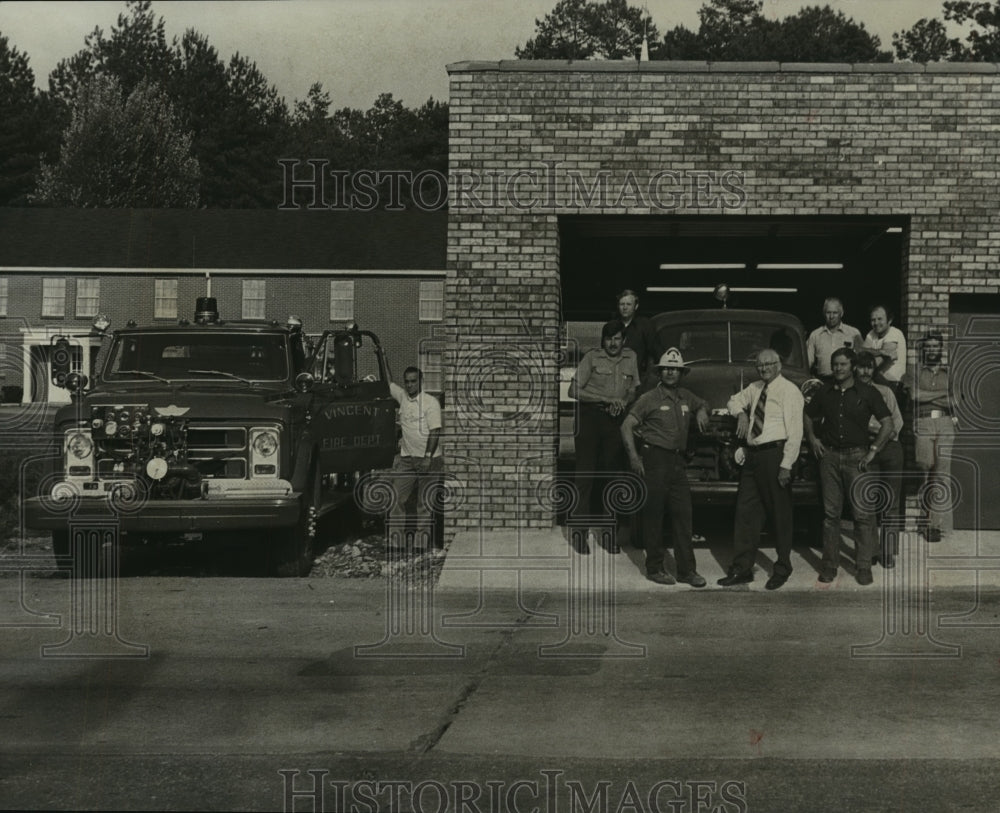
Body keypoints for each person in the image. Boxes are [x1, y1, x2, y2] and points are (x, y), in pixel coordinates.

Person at [804, 347, 894, 585]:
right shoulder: (824, 392)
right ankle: (829, 565)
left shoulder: (868, 392)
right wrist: (813, 439)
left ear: (852, 366)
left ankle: (863, 566)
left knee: (862, 515)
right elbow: (807, 414)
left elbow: (887, 423)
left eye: (842, 364)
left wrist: (873, 450)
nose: (838, 369)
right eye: (835, 365)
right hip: (830, 458)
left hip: (858, 458)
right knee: (831, 515)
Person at [620, 347, 709, 587]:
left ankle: (687, 571)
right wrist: (634, 458)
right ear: (660, 372)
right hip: (655, 460)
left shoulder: (686, 396)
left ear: (681, 373)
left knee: (683, 516)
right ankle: (655, 568)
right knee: (654, 516)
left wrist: (701, 412)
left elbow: (702, 403)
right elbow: (626, 426)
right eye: (667, 368)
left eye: (675, 369)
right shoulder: (649, 398)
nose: (671, 373)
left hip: (678, 463)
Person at [717, 348, 804, 590]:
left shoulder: (790, 391)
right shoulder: (755, 388)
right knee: (746, 514)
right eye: (759, 365)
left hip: (775, 456)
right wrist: (742, 415)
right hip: (753, 458)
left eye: (768, 364)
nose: (763, 369)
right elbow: (733, 400)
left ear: (779, 365)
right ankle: (743, 569)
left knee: (780, 515)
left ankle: (783, 567)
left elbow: (796, 432)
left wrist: (786, 465)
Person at [568, 319, 639, 553]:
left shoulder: (631, 358)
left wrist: (623, 402)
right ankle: (579, 534)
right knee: (585, 476)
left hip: (615, 421)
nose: (613, 343)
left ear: (623, 340)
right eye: (609, 339)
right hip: (590, 418)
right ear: (603, 340)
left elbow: (632, 389)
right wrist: (605, 399)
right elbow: (573, 390)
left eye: (617, 338)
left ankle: (609, 534)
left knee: (613, 476)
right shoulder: (592, 358)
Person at [855, 350, 905, 568]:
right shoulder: (851, 394)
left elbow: (897, 423)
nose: (865, 371)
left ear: (873, 370)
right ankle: (870, 551)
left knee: (891, 502)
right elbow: (855, 425)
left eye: (869, 367)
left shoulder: (885, 391)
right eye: (861, 366)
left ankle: (888, 552)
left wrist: (881, 431)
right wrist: (879, 428)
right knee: (867, 503)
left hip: (890, 449)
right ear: (854, 369)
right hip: (866, 451)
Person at [904, 331, 956, 542]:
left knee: (942, 474)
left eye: (936, 346)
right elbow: (914, 396)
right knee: (924, 465)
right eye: (929, 346)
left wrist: (930, 398)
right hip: (923, 422)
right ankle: (928, 518)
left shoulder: (949, 372)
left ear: (940, 349)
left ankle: (934, 526)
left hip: (945, 423)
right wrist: (943, 395)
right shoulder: (914, 370)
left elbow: (956, 403)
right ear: (924, 349)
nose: (932, 349)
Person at [388, 366, 443, 546]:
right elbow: (388, 382)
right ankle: (396, 544)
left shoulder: (430, 403)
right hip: (407, 459)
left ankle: (421, 546)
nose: (410, 385)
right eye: (407, 382)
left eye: (414, 381)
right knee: (396, 497)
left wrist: (428, 456)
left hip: (429, 459)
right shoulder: (403, 397)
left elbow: (435, 431)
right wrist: (380, 354)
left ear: (421, 381)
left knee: (424, 504)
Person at [806, 298, 864, 381]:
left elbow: (861, 360)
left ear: (842, 313)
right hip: (823, 382)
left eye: (835, 313)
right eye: (828, 313)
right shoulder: (815, 335)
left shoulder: (853, 333)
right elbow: (807, 363)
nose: (831, 316)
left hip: (847, 382)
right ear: (824, 313)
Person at [616, 289, 663, 380]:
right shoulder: (612, 326)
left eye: (629, 304)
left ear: (636, 306)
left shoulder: (645, 325)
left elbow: (657, 352)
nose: (625, 307)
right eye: (622, 304)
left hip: (637, 379)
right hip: (614, 379)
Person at [863, 305, 907, 395]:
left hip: (893, 384)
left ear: (889, 320)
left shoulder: (895, 333)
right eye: (873, 320)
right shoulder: (871, 333)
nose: (876, 323)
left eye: (880, 319)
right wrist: (880, 351)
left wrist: (868, 353)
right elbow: (863, 355)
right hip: (876, 381)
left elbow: (879, 361)